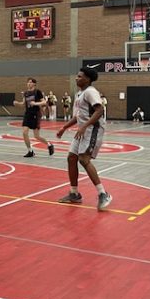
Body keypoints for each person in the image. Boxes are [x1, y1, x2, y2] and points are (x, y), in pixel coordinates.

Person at [57, 67, 111, 211]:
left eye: (80, 76)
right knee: (71, 158)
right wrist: (64, 127)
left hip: (94, 129)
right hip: (83, 129)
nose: (77, 78)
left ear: (87, 79)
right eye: (77, 76)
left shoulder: (90, 92)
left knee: (83, 159)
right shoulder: (79, 94)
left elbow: (100, 110)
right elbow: (77, 116)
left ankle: (103, 193)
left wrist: (84, 126)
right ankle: (74, 193)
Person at [13, 78, 54, 157]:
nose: (28, 84)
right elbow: (23, 104)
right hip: (28, 114)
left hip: (36, 114)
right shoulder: (26, 93)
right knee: (24, 133)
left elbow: (44, 102)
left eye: (30, 82)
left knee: (36, 136)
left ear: (34, 84)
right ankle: (30, 151)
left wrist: (35, 103)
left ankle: (49, 144)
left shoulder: (37, 92)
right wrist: (17, 103)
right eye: (28, 82)